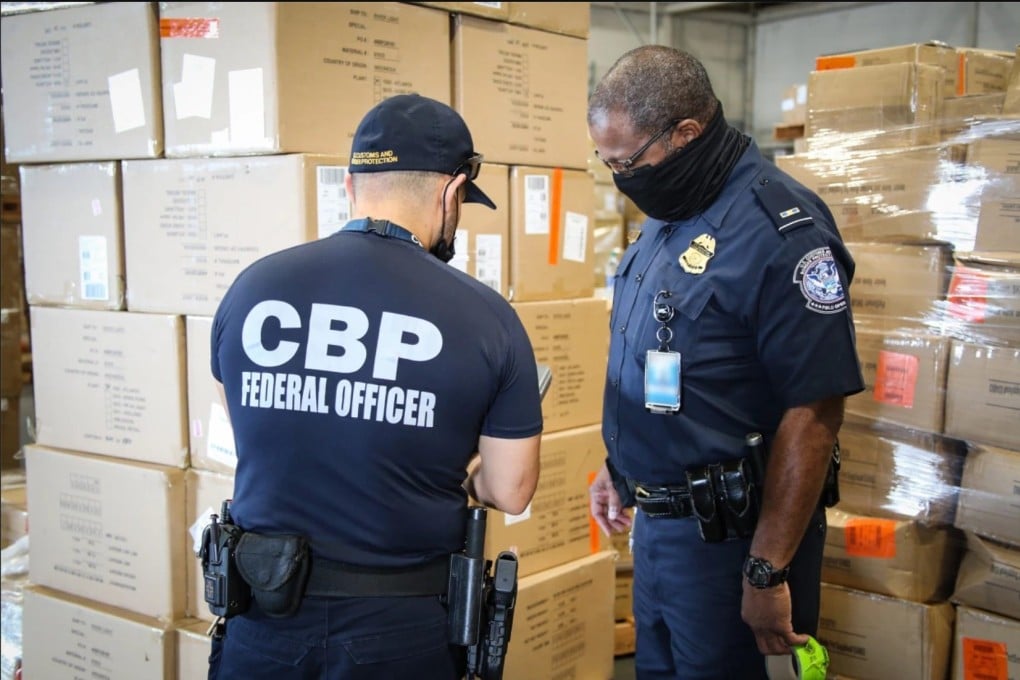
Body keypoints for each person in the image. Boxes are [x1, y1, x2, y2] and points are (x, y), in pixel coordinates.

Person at [207, 93, 543, 679]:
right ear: (451, 191)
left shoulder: (252, 289)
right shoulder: (487, 318)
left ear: (350, 186)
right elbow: (512, 490)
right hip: (399, 627)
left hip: (263, 613)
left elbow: (235, 430)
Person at [586, 46, 864, 679]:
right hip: (659, 537)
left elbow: (816, 409)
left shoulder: (781, 231)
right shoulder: (670, 212)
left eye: (626, 161)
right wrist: (620, 467)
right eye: (605, 162)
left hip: (733, 546)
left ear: (686, 134)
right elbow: (663, 357)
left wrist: (767, 570)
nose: (619, 178)